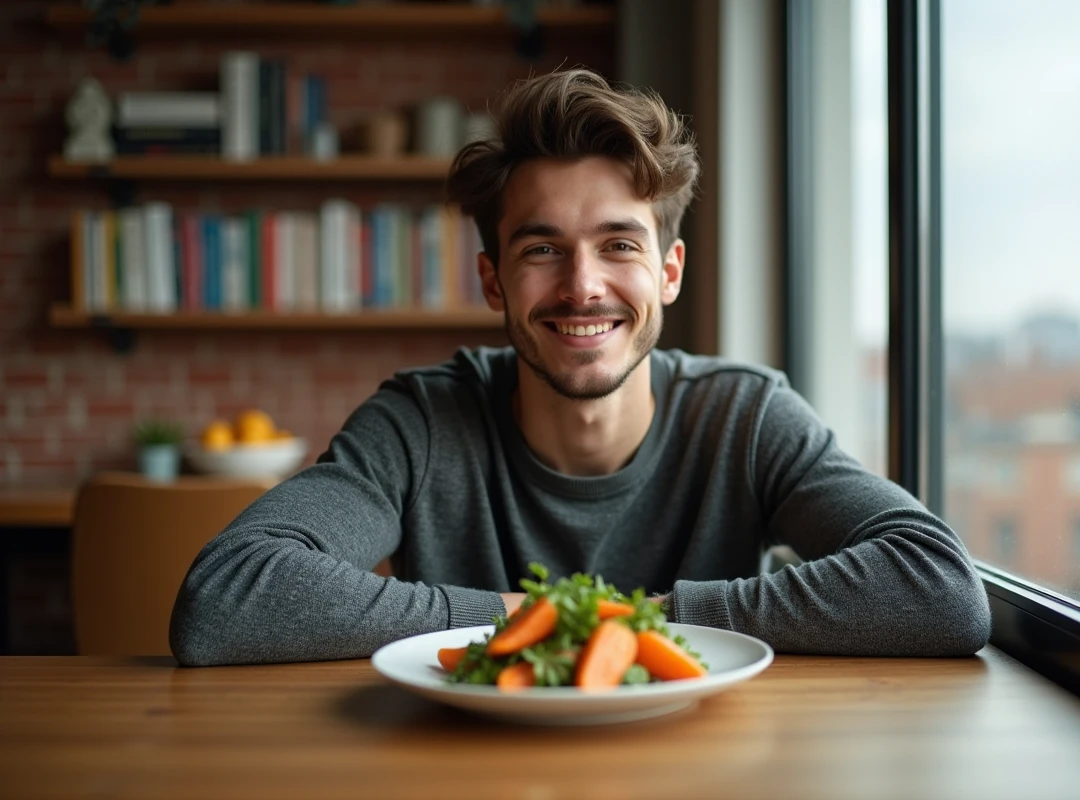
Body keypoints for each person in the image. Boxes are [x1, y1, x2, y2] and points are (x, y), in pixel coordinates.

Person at [170, 69, 990, 666]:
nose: (582, 286)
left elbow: (939, 587)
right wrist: (532, 617)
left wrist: (638, 619)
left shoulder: (745, 418)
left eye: (619, 245)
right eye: (541, 250)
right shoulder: (421, 422)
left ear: (668, 272)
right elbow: (228, 598)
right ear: (493, 280)